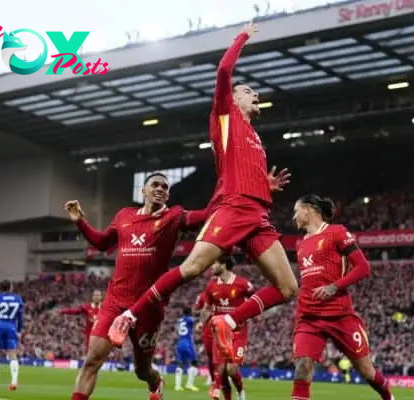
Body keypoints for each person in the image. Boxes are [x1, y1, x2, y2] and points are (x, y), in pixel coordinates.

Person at [109, 22, 296, 366]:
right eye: (249, 90)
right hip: (232, 208)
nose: (256, 95)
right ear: (234, 97)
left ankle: (228, 320)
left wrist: (264, 187)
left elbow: (238, 169)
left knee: (288, 288)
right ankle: (129, 316)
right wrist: (242, 38)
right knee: (193, 268)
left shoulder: (255, 137)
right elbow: (225, 69)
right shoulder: (225, 117)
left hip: (258, 215)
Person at [66, 172, 207, 400]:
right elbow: (102, 243)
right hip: (115, 302)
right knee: (92, 359)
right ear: (143, 191)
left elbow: (205, 216)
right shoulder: (124, 216)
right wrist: (80, 222)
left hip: (148, 308)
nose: (160, 189)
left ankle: (155, 381)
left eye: (165, 186)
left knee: (141, 370)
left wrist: (242, 200)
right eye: (155, 185)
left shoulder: (173, 216)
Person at [290, 194, 394, 400]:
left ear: (309, 209)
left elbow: (363, 267)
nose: (294, 217)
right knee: (302, 368)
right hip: (308, 317)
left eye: (296, 211)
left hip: (339, 314)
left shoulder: (336, 233)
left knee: (367, 371)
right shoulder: (300, 245)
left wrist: (334, 287)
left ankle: (388, 397)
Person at [204, 255, 252, 400]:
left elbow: (253, 303)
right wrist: (202, 322)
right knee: (222, 371)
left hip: (238, 332)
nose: (211, 266)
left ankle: (240, 392)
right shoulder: (211, 286)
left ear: (223, 265)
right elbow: (207, 308)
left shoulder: (243, 284)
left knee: (232, 369)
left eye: (214, 263)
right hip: (219, 333)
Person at [0, 280, 23, 391]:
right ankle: (14, 382)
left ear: (1, 288)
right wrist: (19, 330)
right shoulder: (18, 299)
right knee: (12, 355)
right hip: (12, 326)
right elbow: (20, 317)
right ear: (10, 287)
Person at [59, 289, 103, 353]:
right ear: (92, 297)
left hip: (101, 334)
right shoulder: (87, 307)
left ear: (101, 297)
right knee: (89, 352)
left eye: (98, 295)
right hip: (90, 334)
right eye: (95, 295)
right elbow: (75, 311)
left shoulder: (104, 308)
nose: (96, 297)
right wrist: (63, 311)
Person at [194, 289, 216, 392]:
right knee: (211, 356)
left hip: (223, 326)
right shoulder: (203, 295)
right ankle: (213, 380)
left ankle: (223, 378)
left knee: (224, 354)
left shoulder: (227, 292)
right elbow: (195, 311)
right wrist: (204, 310)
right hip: (208, 329)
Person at [174, 307, 199, 392]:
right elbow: (195, 320)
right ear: (190, 312)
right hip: (187, 343)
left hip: (180, 342)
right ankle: (189, 385)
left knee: (180, 364)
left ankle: (177, 386)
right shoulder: (190, 319)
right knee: (194, 363)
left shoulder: (179, 321)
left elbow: (177, 331)